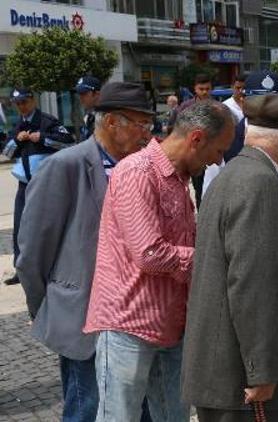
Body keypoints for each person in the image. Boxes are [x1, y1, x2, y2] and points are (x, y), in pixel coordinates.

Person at [181, 94, 278, 422]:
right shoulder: (259, 184)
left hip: (224, 373)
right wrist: (261, 371)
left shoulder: (236, 174)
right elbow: (250, 285)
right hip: (240, 382)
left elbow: (243, 260)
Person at [83, 100, 235, 421]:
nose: (218, 160)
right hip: (129, 325)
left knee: (173, 416)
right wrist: (212, 258)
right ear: (196, 138)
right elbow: (150, 254)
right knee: (119, 416)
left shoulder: (177, 178)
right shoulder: (137, 172)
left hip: (172, 324)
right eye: (218, 150)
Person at [16, 82, 154, 422]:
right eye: (139, 124)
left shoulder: (142, 167)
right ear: (111, 122)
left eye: (148, 125)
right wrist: (46, 306)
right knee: (86, 408)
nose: (146, 134)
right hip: (83, 318)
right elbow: (32, 251)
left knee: (143, 408)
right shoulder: (65, 166)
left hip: (137, 317)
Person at [203, 70, 278, 283]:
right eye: (259, 100)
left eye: (275, 101)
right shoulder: (228, 138)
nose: (268, 108)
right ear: (243, 101)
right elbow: (212, 195)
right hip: (250, 251)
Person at [2, 88, 75, 286]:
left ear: (33, 100)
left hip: (45, 184)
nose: (21, 107)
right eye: (17, 104)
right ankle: (21, 269)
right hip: (24, 184)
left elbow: (69, 143)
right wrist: (16, 140)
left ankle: (54, 267)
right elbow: (7, 153)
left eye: (24, 102)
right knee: (20, 228)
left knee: (48, 226)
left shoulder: (48, 121)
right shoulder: (18, 125)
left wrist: (42, 138)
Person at [167, 73, 213, 209]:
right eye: (201, 89)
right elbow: (173, 129)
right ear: (195, 89)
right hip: (191, 155)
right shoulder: (185, 107)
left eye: (207, 89)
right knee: (196, 189)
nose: (204, 92)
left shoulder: (217, 107)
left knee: (211, 189)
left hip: (212, 156)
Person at [75, 76, 102, 142]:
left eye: (84, 94)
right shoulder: (89, 117)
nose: (80, 98)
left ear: (97, 94)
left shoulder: (108, 117)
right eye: (79, 94)